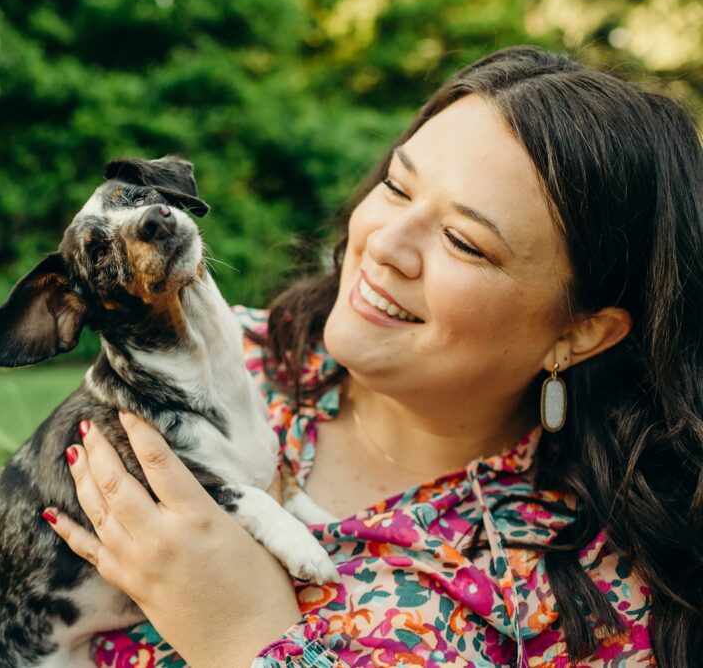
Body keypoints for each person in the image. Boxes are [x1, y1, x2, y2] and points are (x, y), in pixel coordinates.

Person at [43, 46, 703, 667]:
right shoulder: (193, 373)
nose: (387, 243)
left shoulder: (594, 610)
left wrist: (245, 641)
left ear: (579, 333)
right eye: (397, 185)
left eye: (464, 242)